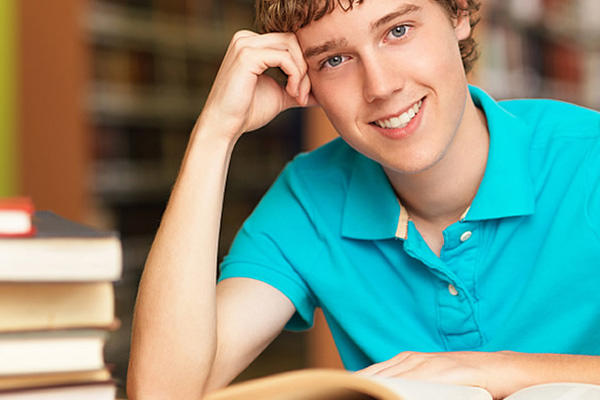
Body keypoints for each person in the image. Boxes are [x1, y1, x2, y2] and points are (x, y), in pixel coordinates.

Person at [126, 0, 600, 398]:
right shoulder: (310, 200)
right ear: (303, 78)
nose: (380, 87)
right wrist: (216, 133)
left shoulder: (588, 158)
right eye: (334, 60)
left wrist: (492, 372)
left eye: (398, 30)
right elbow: (163, 392)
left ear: (458, 14)